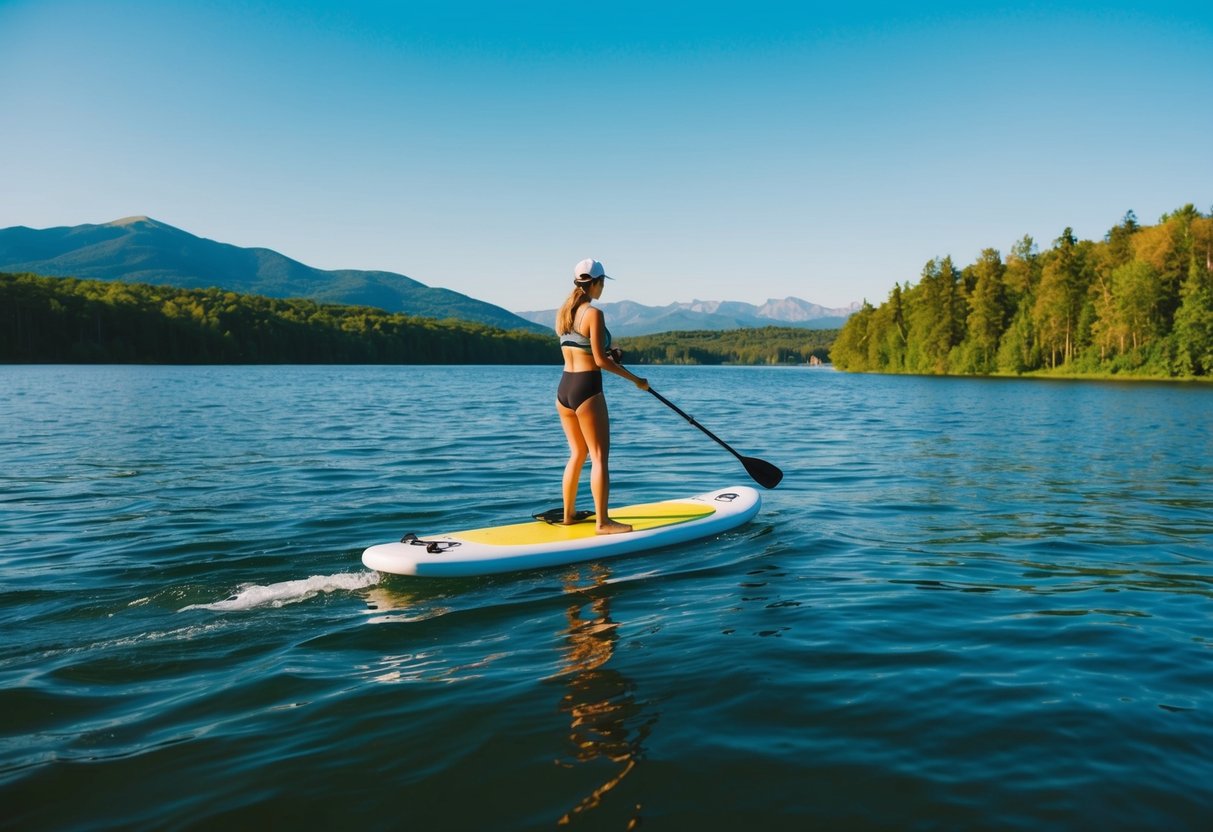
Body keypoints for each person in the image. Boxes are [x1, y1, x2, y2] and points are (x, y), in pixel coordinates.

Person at [555, 258, 649, 534]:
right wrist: (636, 381)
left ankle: (568, 515)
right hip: (587, 388)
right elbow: (600, 361)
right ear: (595, 283)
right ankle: (602, 522)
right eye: (602, 282)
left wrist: (609, 354)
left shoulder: (564, 313)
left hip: (564, 389)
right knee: (598, 456)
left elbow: (582, 350)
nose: (603, 287)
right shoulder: (593, 314)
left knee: (577, 453)